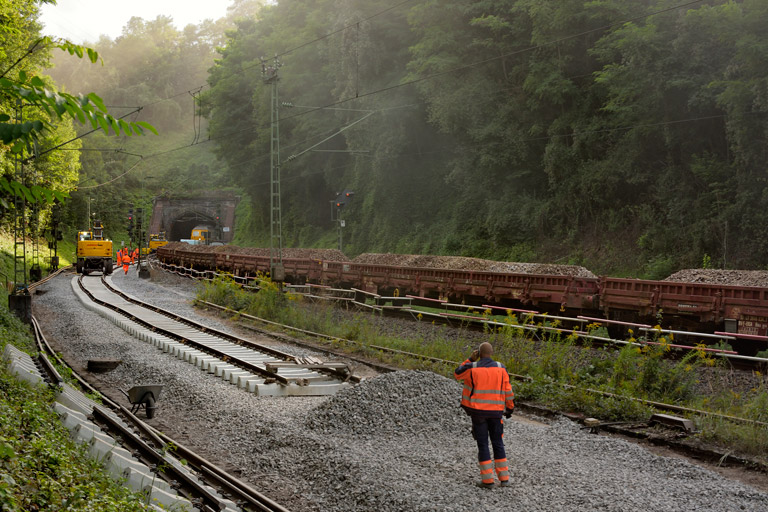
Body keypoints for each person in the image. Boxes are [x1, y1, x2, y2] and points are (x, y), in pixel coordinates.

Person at [454, 342, 515, 488]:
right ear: (492, 352)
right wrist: (510, 408)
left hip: (478, 413)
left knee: (483, 444)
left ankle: (487, 481)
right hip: (496, 413)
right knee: (498, 443)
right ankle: (504, 479)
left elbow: (457, 374)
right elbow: (508, 390)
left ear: (479, 353)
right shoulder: (501, 368)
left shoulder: (472, 367)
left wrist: (470, 359)